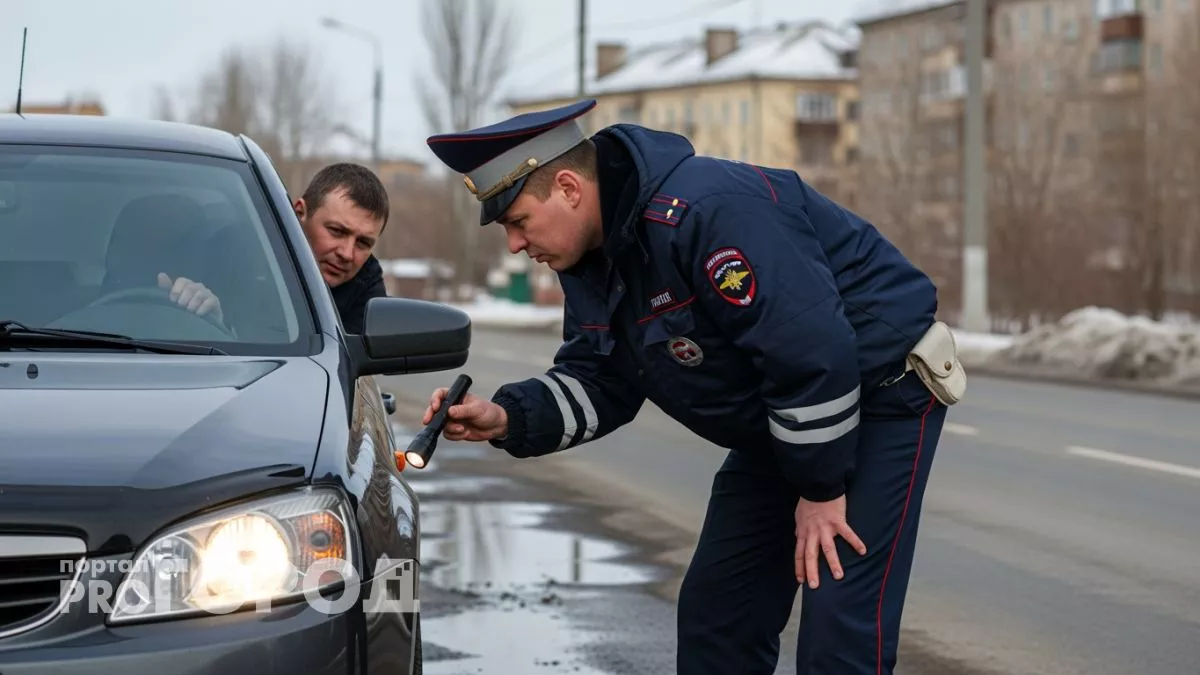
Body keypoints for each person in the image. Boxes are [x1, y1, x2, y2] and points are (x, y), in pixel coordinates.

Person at [420, 99, 966, 675]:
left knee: (838, 630)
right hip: (786, 422)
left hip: (879, 395)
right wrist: (506, 417)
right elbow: (601, 379)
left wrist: (822, 489)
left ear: (568, 188)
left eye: (517, 221)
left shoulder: (706, 210)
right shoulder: (592, 258)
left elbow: (808, 348)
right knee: (719, 618)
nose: (513, 245)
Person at [159, 162, 390, 334]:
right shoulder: (230, 251)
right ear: (300, 213)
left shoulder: (367, 283)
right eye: (336, 231)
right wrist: (210, 318)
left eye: (363, 243)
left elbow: (349, 368)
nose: (347, 254)